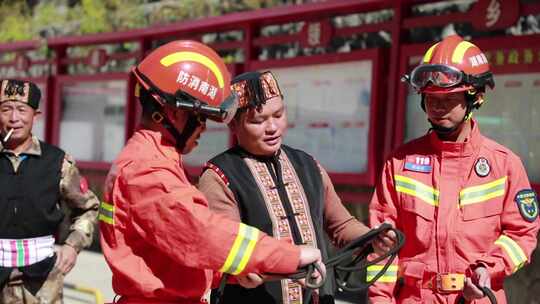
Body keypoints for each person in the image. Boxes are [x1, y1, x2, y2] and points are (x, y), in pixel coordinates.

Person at [99, 40, 326, 304]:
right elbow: (201, 233)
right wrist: (289, 256)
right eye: (201, 117)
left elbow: (174, 249)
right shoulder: (147, 171)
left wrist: (231, 271)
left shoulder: (153, 159)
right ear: (173, 113)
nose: (204, 129)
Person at [367, 34, 540, 303]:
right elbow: (381, 248)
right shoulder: (399, 163)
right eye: (431, 97)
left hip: (478, 297)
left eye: (449, 99)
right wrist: (379, 300)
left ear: (476, 97)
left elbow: (523, 234)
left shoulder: (505, 165)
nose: (437, 106)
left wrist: (488, 268)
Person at [198, 70, 396, 304]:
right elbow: (226, 250)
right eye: (258, 121)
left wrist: (372, 238)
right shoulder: (219, 176)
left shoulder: (308, 165)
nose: (272, 127)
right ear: (234, 125)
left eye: (279, 115)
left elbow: (340, 225)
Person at [0, 79, 99, 303]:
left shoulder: (57, 162)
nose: (14, 118)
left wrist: (73, 245)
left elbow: (88, 208)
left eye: (22, 110)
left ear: (36, 116)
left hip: (43, 283)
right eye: (6, 109)